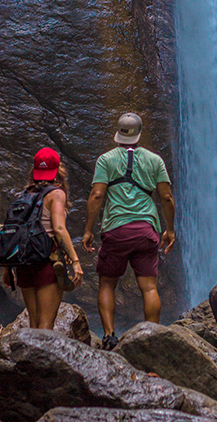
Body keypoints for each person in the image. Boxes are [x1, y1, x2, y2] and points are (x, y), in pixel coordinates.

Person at [82, 112, 175, 350]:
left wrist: (88, 230)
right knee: (150, 287)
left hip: (116, 230)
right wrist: (170, 230)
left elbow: (97, 195)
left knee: (106, 284)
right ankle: (152, 337)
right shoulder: (155, 160)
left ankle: (110, 336)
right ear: (139, 134)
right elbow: (166, 197)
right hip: (146, 231)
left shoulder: (106, 160)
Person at [2, 147, 83, 329]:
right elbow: (59, 228)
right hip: (46, 263)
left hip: (23, 264)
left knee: (34, 323)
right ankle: (39, 358)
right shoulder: (56, 194)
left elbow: (12, 233)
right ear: (58, 170)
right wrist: (75, 261)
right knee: (46, 325)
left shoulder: (23, 195)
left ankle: (27, 357)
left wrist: (7, 270)